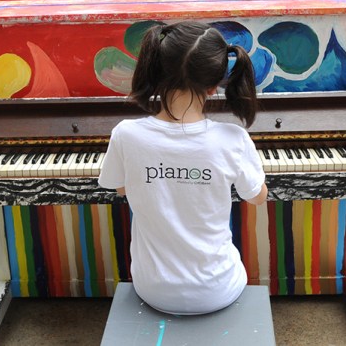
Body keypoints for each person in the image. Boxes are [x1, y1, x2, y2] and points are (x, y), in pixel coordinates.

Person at [98, 21, 267, 315]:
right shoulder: (232, 139)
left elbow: (122, 188)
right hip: (218, 289)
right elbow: (257, 196)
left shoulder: (126, 133)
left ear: (157, 72)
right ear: (215, 85)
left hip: (153, 289)